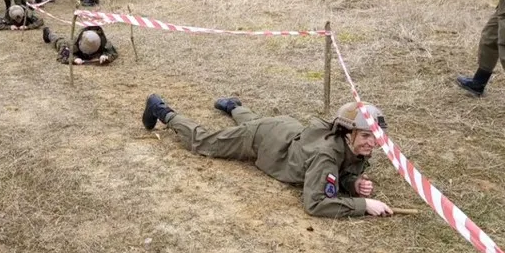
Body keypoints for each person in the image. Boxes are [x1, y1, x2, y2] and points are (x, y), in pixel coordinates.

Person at [141, 95, 393, 218]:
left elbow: (340, 172)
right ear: (348, 134)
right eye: (366, 136)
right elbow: (315, 203)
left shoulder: (348, 144)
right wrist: (364, 206)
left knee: (254, 122)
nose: (373, 143)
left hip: (283, 130)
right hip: (263, 139)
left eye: (376, 136)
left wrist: (353, 183)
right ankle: (163, 111)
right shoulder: (326, 156)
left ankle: (233, 106)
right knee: (205, 142)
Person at [42, 25, 118, 65]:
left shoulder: (102, 41)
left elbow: (112, 52)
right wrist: (74, 59)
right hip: (74, 44)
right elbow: (61, 56)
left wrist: (106, 57)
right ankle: (48, 34)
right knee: (59, 41)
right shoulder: (71, 44)